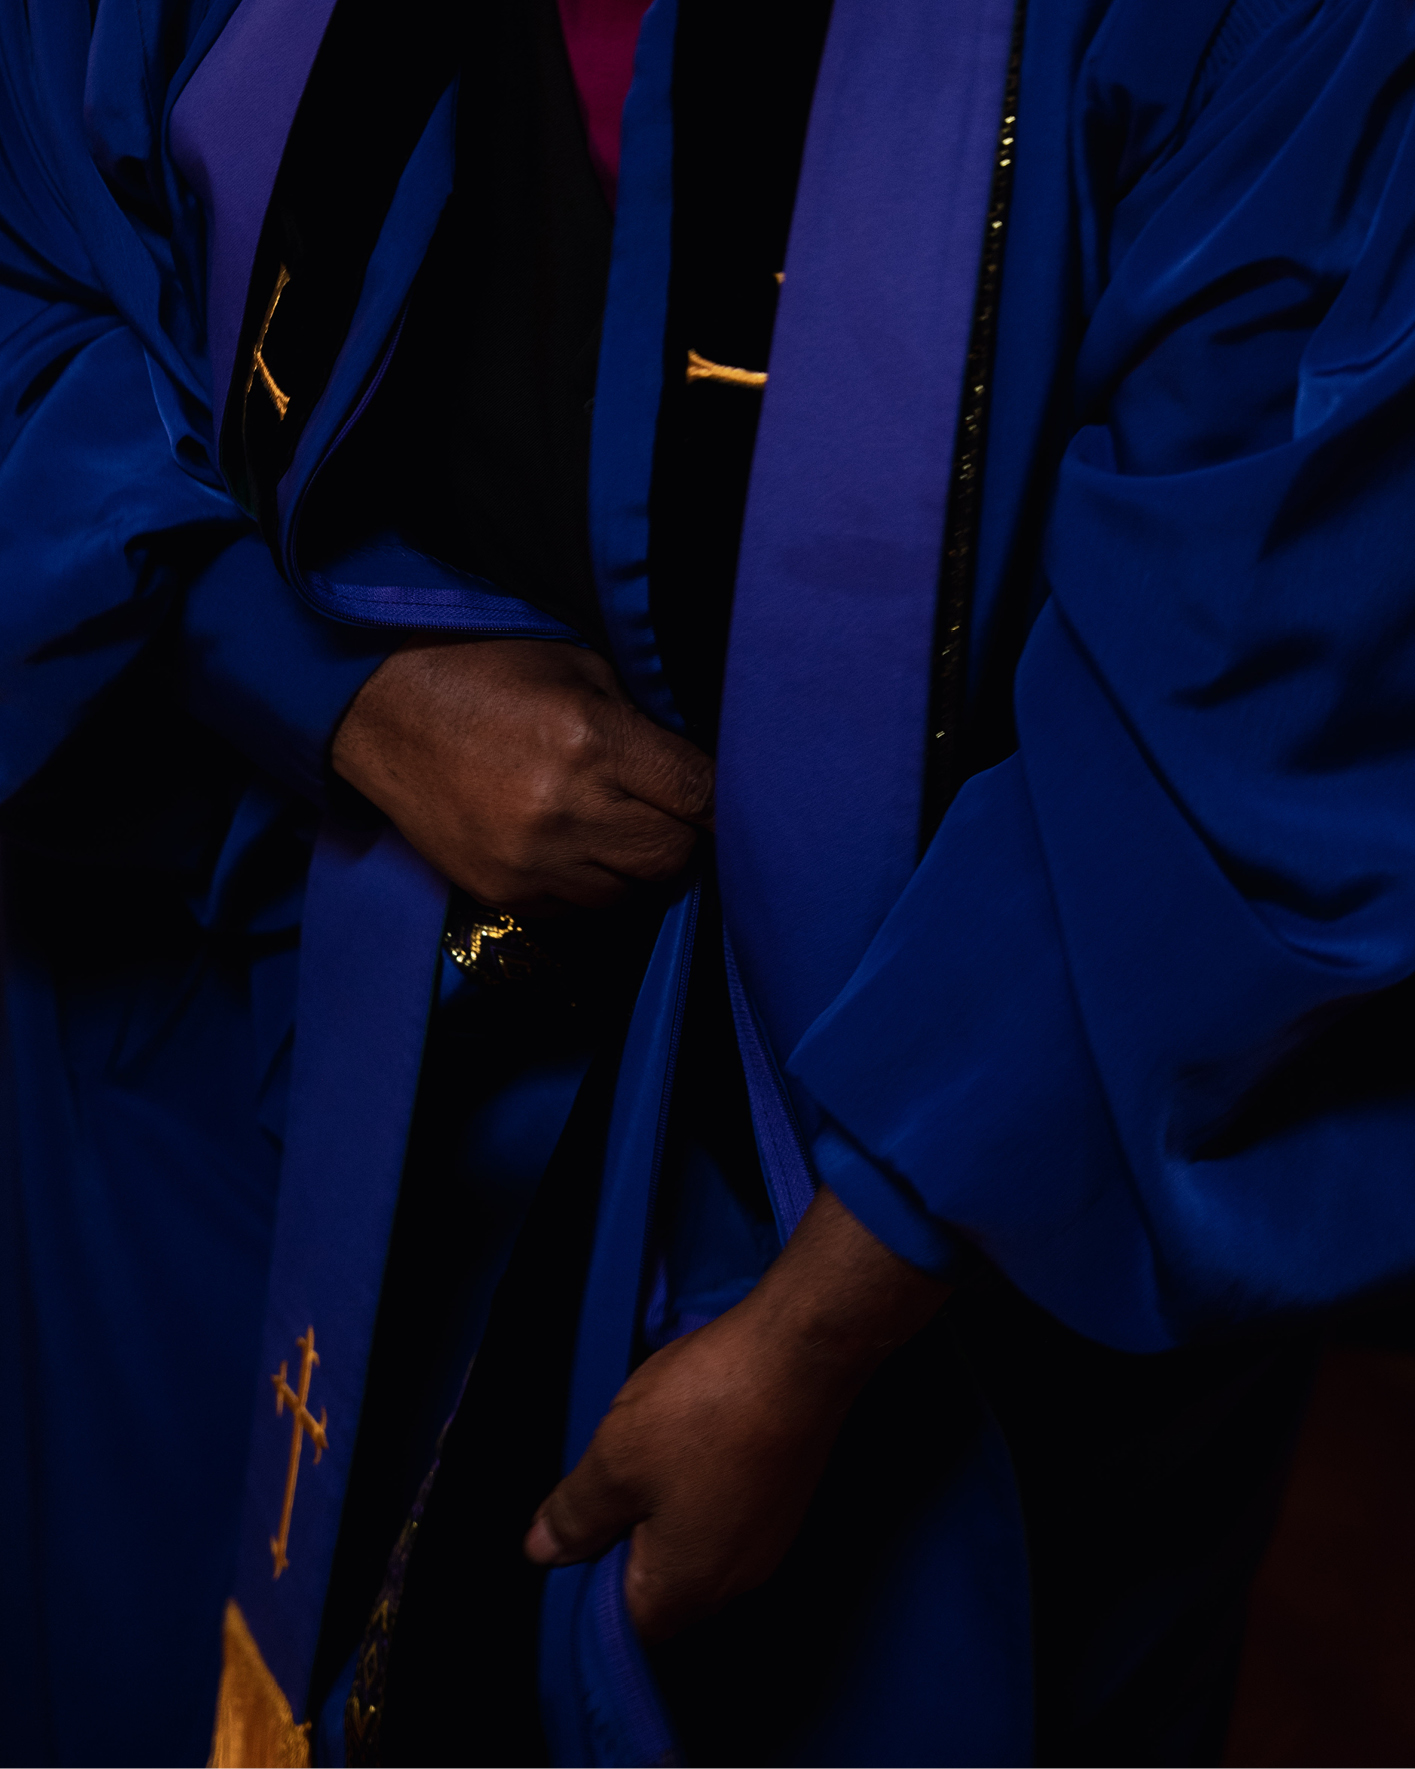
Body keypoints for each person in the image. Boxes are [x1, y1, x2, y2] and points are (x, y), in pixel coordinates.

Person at [5, 0, 1415, 1764]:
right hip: (225, 1036)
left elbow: (1277, 675)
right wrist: (326, 698)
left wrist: (831, 1320)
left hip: (918, 1192)